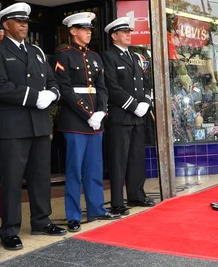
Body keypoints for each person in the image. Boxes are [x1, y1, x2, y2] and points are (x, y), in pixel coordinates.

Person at [0, 2, 66, 251]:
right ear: (6, 24)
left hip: (39, 125)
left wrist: (52, 95)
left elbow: (53, 82)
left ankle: (41, 220)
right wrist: (33, 97)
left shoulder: (37, 52)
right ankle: (9, 229)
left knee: (40, 177)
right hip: (12, 127)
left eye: (26, 21)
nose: (23, 25)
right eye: (18, 21)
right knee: (12, 180)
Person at [54, 12, 120, 232]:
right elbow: (65, 89)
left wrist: (101, 112)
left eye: (90, 29)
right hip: (75, 120)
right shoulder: (63, 54)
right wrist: (87, 114)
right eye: (84, 29)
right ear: (73, 31)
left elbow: (102, 87)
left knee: (94, 168)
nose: (89, 33)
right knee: (74, 171)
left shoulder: (95, 57)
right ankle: (73, 215)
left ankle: (96, 209)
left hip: (96, 120)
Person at [102, 17, 155, 215]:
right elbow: (112, 87)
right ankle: (117, 202)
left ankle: (136, 194)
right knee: (118, 160)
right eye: (124, 32)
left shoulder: (135, 57)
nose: (128, 34)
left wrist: (146, 102)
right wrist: (133, 105)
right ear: (114, 35)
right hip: (121, 117)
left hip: (138, 117)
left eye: (129, 31)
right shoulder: (108, 57)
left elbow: (146, 82)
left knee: (136, 158)